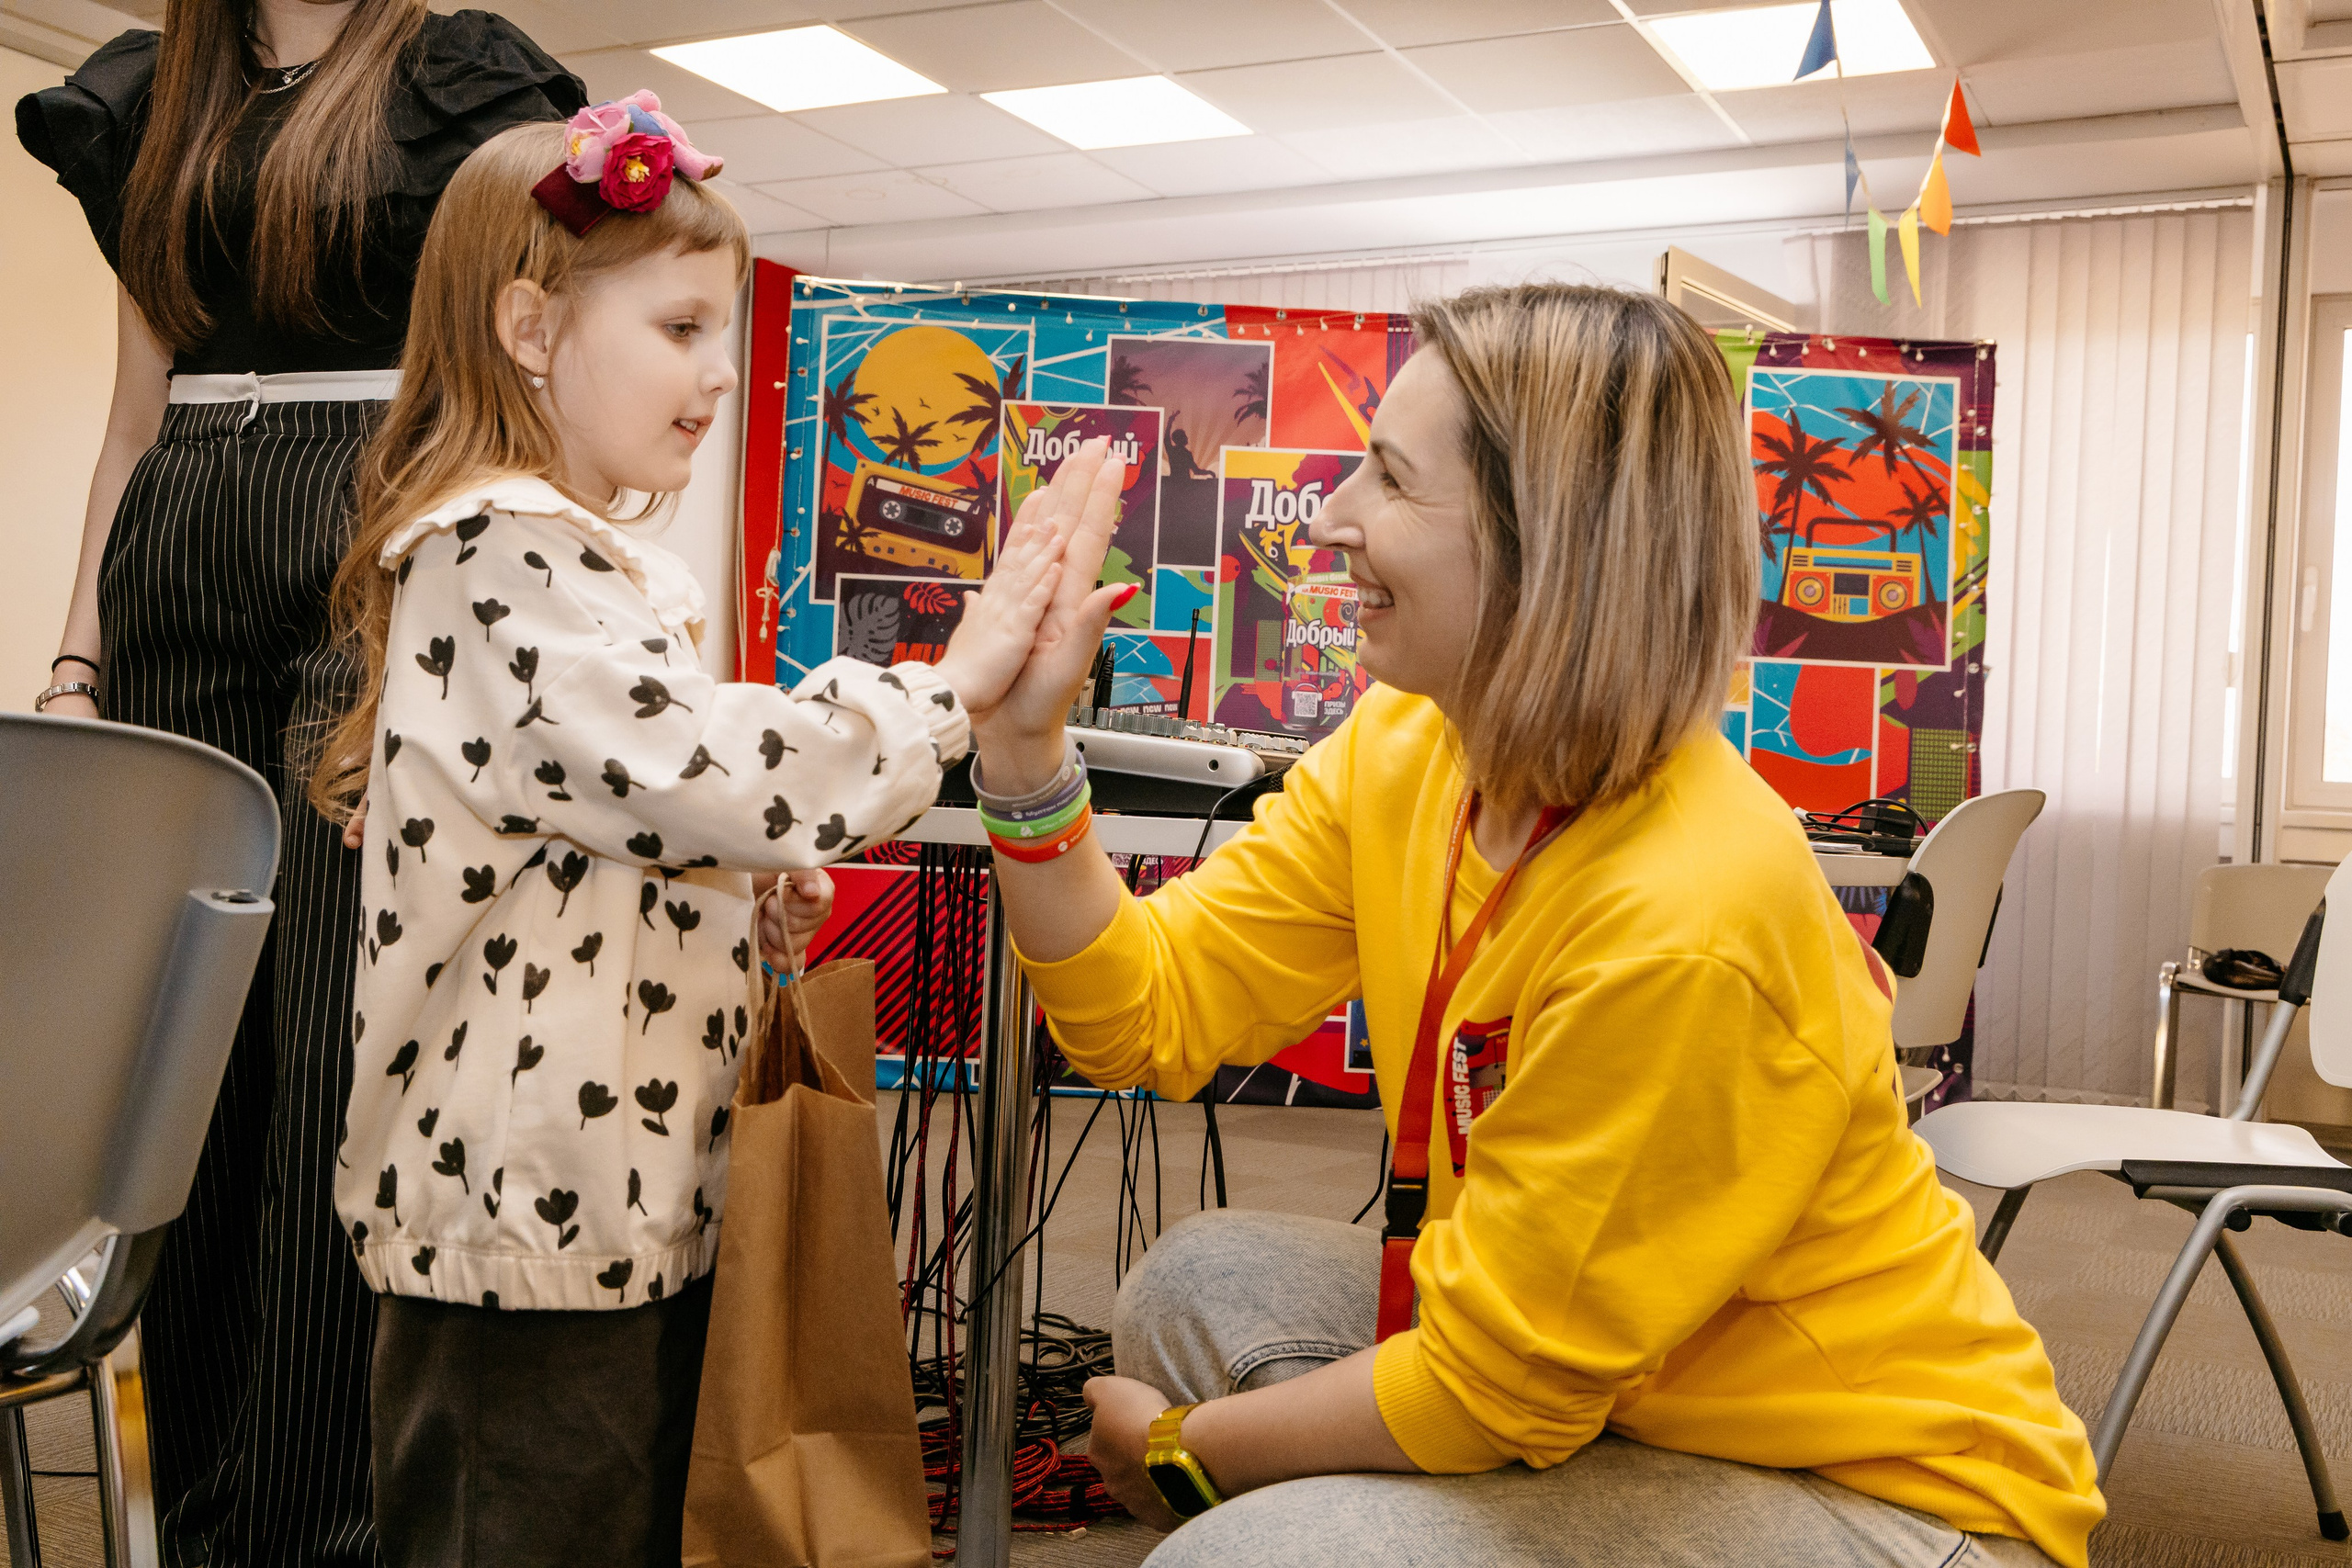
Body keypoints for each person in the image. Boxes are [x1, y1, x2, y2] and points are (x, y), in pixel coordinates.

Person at [951, 288, 2107, 1568]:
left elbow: (1487, 1390)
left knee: (1243, 1553)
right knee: (1198, 1284)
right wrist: (1021, 750)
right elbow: (1142, 1018)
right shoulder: (1412, 743)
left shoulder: (1684, 912)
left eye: (1388, 479)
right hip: (1634, 1390)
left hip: (1893, 1500)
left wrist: (1186, 1453)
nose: (1328, 519)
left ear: (1545, 545)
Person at [306, 113, 1067, 1567]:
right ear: (530, 327)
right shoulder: (493, 554)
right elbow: (705, 770)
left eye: (723, 331)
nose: (723, 371)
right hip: (525, 1237)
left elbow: (635, 821)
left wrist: (736, 895)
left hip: (628, 1201)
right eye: (680, 325)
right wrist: (943, 689)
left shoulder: (587, 568)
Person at [16, 5, 581, 1561]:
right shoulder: (148, 92)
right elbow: (131, 427)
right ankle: (205, 1521)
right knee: (186, 1077)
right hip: (183, 531)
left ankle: (326, 1530)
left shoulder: (458, 78)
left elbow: (513, 382)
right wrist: (76, 661)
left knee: (337, 1051)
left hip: (380, 525)